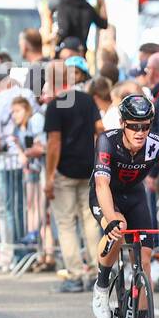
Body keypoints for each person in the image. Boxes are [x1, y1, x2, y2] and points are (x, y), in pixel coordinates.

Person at [89, 94, 159, 318]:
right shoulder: (107, 140)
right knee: (119, 229)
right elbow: (102, 185)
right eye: (134, 126)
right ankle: (102, 285)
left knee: (145, 261)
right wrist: (111, 218)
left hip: (136, 197)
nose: (140, 132)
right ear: (123, 123)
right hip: (107, 195)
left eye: (145, 126)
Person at [44, 55, 105, 292]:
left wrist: (49, 176)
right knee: (90, 221)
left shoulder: (55, 104)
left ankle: (76, 274)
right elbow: (100, 130)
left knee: (66, 223)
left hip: (65, 170)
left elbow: (54, 143)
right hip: (87, 166)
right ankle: (95, 270)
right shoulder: (87, 101)